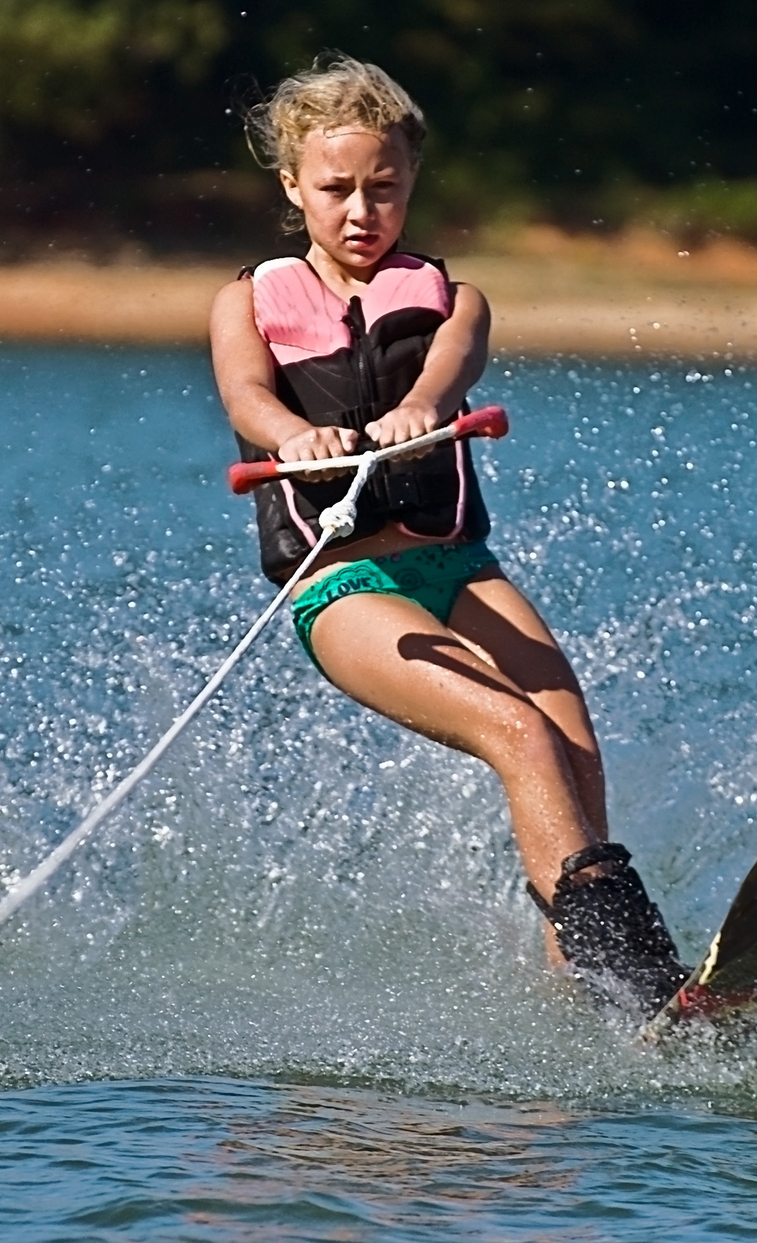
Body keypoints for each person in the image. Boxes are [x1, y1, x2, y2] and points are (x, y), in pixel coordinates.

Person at [209, 55, 686, 1016]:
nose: (360, 210)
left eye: (383, 187)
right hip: (341, 585)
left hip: (459, 565)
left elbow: (449, 371)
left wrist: (421, 407)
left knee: (573, 749)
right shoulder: (246, 302)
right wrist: (297, 435)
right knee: (515, 730)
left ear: (411, 182)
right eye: (336, 188)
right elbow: (247, 396)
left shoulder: (452, 298)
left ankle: (588, 998)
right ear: (292, 185)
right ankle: (641, 980)